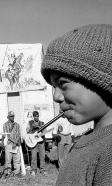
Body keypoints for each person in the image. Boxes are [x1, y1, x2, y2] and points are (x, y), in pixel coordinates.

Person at [41, 24, 112, 185]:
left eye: (63, 83)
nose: (56, 96)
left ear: (104, 79)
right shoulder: (90, 141)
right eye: (53, 87)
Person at [1, 111, 21, 178]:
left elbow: (18, 134)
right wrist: (14, 142)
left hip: (16, 144)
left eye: (13, 116)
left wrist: (16, 142)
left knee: (17, 159)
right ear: (8, 117)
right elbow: (7, 135)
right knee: (8, 159)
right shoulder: (5, 125)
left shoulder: (17, 125)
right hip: (9, 143)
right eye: (11, 116)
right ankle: (8, 172)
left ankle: (16, 172)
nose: (13, 117)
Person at [26, 111, 46, 176]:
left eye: (37, 116)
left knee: (42, 156)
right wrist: (32, 127)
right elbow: (27, 131)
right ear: (33, 117)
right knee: (34, 156)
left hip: (41, 141)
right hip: (33, 141)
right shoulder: (30, 122)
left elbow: (45, 132)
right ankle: (33, 170)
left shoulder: (42, 123)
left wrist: (42, 130)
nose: (36, 117)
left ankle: (42, 170)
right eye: (35, 116)